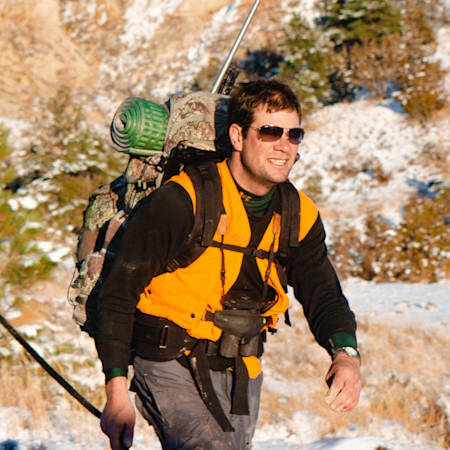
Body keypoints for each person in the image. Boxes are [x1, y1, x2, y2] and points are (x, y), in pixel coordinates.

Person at [95, 79, 362, 450]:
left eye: (294, 134)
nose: (284, 146)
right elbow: (118, 294)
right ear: (237, 136)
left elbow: (323, 293)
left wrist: (346, 355)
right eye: (269, 132)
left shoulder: (299, 214)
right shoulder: (183, 200)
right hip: (166, 358)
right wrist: (117, 393)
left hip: (242, 369)